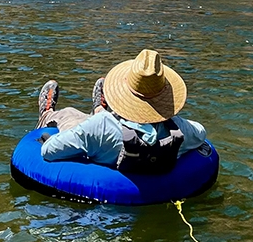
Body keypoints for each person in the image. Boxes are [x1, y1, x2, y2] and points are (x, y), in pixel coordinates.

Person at [35, 49, 208, 173]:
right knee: (97, 120)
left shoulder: (100, 127)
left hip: (101, 137)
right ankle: (98, 108)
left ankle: (47, 114)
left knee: (69, 115)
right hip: (152, 178)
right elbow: (201, 132)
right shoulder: (179, 130)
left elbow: (49, 151)